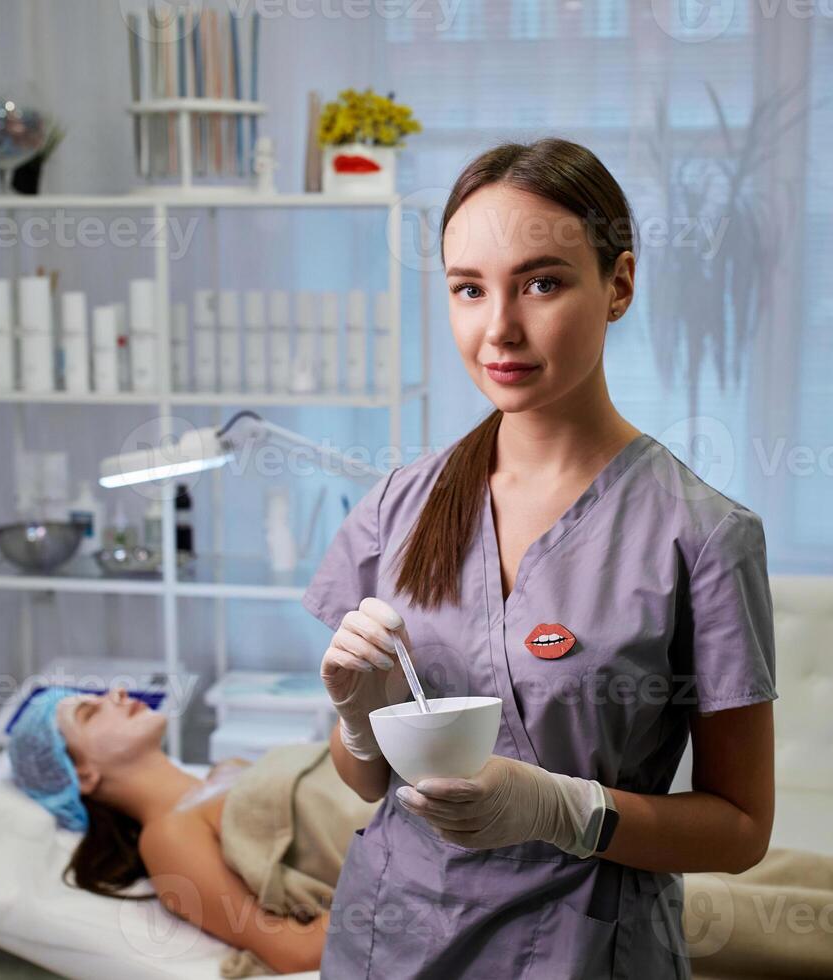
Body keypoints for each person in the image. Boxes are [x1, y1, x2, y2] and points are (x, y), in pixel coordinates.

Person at [305, 137, 778, 978]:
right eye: (468, 290)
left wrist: (563, 811)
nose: (500, 328)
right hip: (393, 938)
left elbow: (741, 829)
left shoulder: (700, 535)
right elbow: (368, 784)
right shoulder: (399, 508)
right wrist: (357, 724)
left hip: (582, 949)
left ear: (619, 285)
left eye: (543, 282)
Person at [5, 685, 329, 974]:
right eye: (90, 713)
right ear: (82, 775)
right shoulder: (167, 837)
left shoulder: (231, 769)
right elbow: (292, 950)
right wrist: (380, 878)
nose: (118, 692)